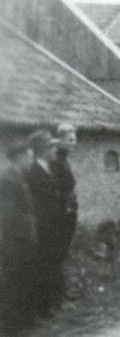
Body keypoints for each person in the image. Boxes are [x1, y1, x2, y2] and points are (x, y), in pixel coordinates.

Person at [0, 139, 38, 335]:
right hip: (15, 240)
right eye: (30, 157)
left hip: (23, 237)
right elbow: (7, 214)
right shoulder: (7, 178)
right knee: (13, 281)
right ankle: (11, 326)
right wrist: (16, 239)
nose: (32, 161)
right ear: (20, 157)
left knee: (23, 279)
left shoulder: (19, 176)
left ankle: (22, 322)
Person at [25, 130, 65, 318]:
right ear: (43, 149)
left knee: (53, 262)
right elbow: (36, 202)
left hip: (54, 224)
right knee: (44, 265)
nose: (55, 149)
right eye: (51, 146)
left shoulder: (50, 167)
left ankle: (54, 302)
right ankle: (44, 308)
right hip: (43, 226)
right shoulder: (33, 171)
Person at [50, 123, 78, 302]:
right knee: (58, 252)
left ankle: (61, 291)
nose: (74, 143)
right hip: (62, 212)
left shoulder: (64, 159)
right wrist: (65, 206)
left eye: (75, 139)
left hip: (69, 209)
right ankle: (57, 293)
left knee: (63, 251)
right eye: (70, 140)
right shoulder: (56, 162)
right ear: (59, 141)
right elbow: (55, 189)